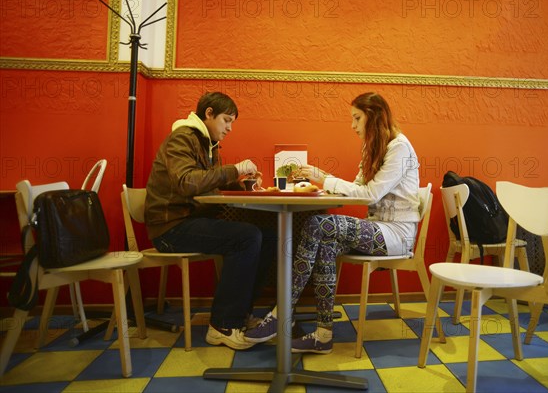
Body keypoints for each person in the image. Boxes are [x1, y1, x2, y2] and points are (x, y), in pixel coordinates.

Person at [245, 92, 421, 354]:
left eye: (357, 118)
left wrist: (323, 180)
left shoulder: (399, 148)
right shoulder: (373, 147)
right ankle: (323, 334)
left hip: (397, 234)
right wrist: (323, 177)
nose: (353, 125)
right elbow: (359, 188)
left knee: (318, 224)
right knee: (326, 239)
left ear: (374, 117)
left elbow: (370, 194)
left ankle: (282, 313)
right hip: (378, 228)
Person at [144, 91, 276, 350]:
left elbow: (207, 186)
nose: (229, 128)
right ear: (209, 114)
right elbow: (187, 182)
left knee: (268, 236)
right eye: (226, 120)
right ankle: (222, 326)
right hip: (170, 229)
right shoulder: (182, 138)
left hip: (187, 222)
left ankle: (239, 315)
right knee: (248, 237)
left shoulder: (204, 143)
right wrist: (234, 169)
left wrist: (243, 187)